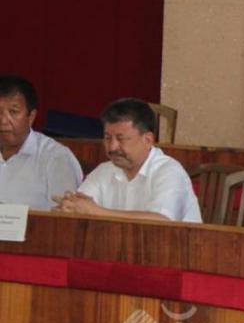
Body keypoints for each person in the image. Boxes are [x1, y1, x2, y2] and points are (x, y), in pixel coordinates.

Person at [54, 98, 201, 222]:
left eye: (121, 138)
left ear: (148, 140)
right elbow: (80, 207)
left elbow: (162, 220)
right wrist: (69, 208)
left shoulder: (170, 171)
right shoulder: (103, 171)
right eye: (107, 138)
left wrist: (96, 212)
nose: (112, 147)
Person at [0, 74, 83, 209]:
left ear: (31, 117)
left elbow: (65, 216)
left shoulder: (56, 158)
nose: (3, 121)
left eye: (13, 112)